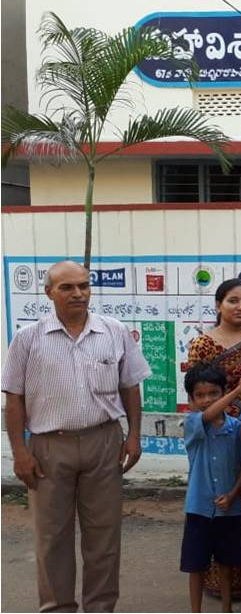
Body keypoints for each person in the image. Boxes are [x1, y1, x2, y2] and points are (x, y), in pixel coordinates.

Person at [1, 260, 151, 612]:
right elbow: (14, 400)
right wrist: (19, 452)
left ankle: (100, 608)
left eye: (83, 285)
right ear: (49, 292)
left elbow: (130, 387)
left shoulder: (114, 331)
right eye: (67, 287)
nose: (78, 293)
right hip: (48, 450)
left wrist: (134, 437)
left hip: (103, 444)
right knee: (52, 539)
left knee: (104, 538)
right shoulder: (27, 339)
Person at [180, 364, 241, 614]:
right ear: (190, 400)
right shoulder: (192, 423)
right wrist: (238, 391)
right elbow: (208, 415)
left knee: (226, 565)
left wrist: (233, 494)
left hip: (229, 510)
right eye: (199, 396)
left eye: (213, 393)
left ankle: (226, 609)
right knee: (196, 566)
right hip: (199, 508)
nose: (206, 400)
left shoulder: (234, 428)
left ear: (221, 392)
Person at [186, 278, 241, 413]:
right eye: (233, 301)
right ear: (218, 305)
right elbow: (195, 393)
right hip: (217, 423)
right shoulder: (203, 345)